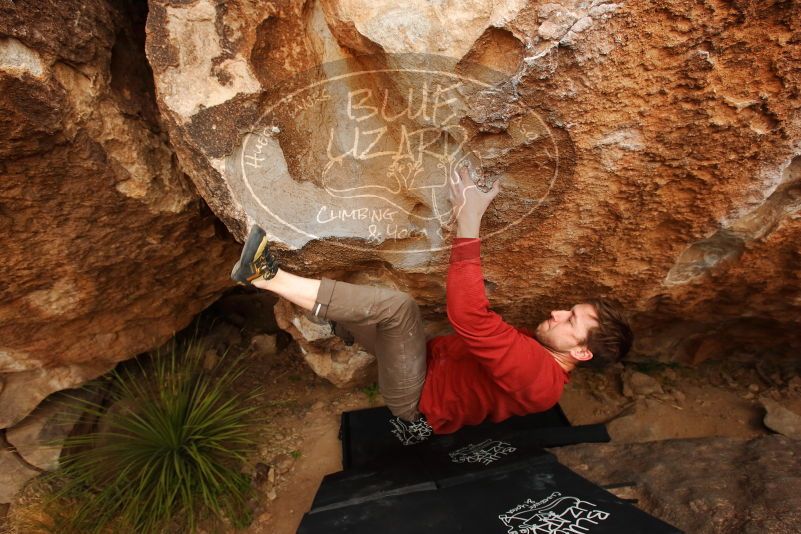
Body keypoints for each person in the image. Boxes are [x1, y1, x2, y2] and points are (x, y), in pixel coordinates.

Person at [230, 164, 633, 444]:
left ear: (581, 351)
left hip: (416, 396)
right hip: (425, 365)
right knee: (392, 325)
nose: (558, 312)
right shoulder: (540, 360)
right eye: (569, 310)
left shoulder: (539, 378)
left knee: (399, 310)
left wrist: (469, 218)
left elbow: (470, 316)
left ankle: (264, 275)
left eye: (572, 319)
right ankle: (342, 325)